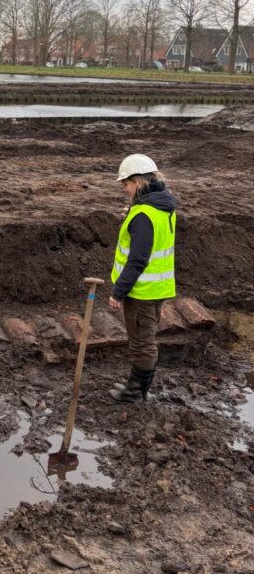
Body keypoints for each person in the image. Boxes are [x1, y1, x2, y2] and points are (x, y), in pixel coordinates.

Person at [107, 154, 177, 403]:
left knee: (142, 343)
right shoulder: (162, 205)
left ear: (138, 182)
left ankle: (136, 392)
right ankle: (138, 388)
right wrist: (135, 212)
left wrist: (119, 291)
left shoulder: (144, 216)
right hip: (156, 287)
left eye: (125, 184)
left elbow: (137, 260)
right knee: (144, 340)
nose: (123, 189)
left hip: (142, 291)